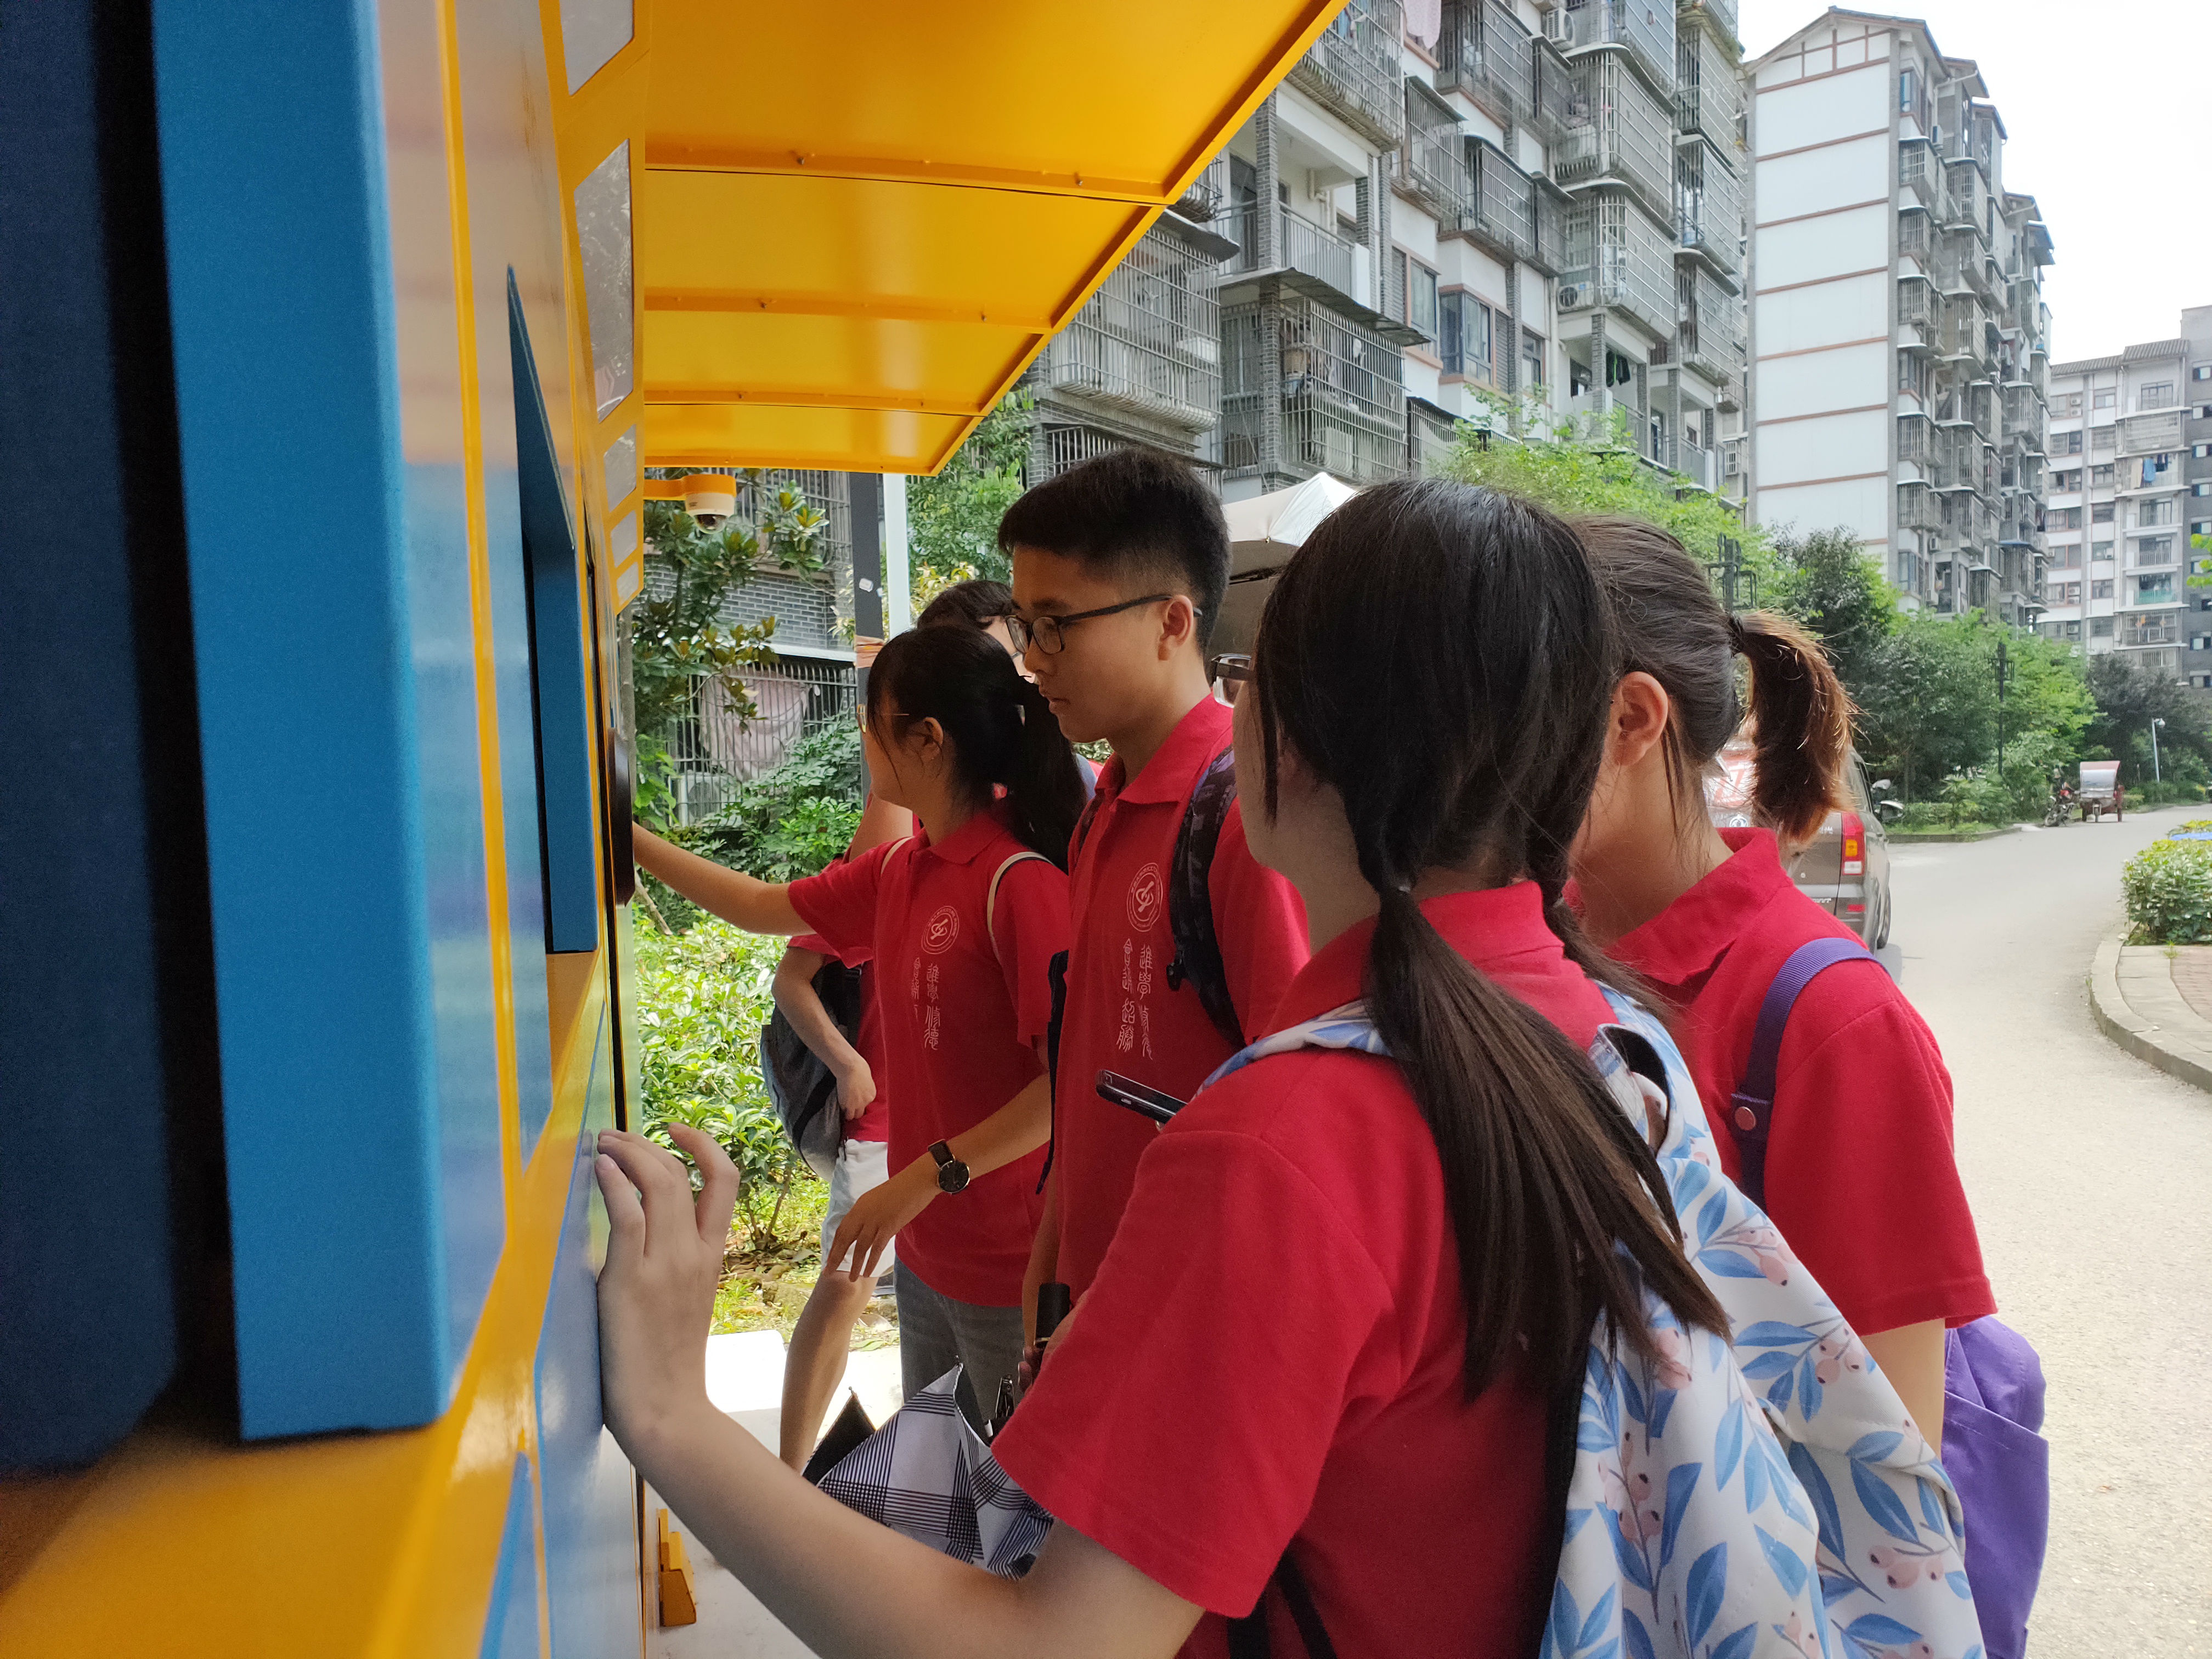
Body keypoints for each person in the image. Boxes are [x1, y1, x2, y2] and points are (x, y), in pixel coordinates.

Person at [590, 479, 1726, 1657]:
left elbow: (1055, 1647)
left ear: (1293, 737)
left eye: (1252, 678)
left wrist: (669, 1412)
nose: (1035, 660)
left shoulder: (1291, 1139)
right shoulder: (1624, 1043)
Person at [1567, 515, 1994, 1446]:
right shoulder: (1529, 946)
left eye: (1499, 711)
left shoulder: (1836, 1021)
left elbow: (1891, 1452)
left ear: (1633, 719)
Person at [632, 623, 1084, 1422]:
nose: (864, 742)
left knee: (1011, 1494)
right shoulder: (900, 870)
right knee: (942, 1479)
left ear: (927, 740)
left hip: (1005, 1265)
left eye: (871, 725)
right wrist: (623, 838)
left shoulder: (1019, 885)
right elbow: (761, 907)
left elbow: (1063, 1090)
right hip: (925, 1252)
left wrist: (921, 1177)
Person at [998, 448, 1308, 1340]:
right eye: (1026, 627)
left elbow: (1295, 1117)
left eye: (1057, 625)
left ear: (1173, 622)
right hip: (1091, 1299)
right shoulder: (1105, 804)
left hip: (1190, 1322)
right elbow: (1089, 1067)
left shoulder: (1243, 820)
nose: (1033, 661)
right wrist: (1054, 1252)